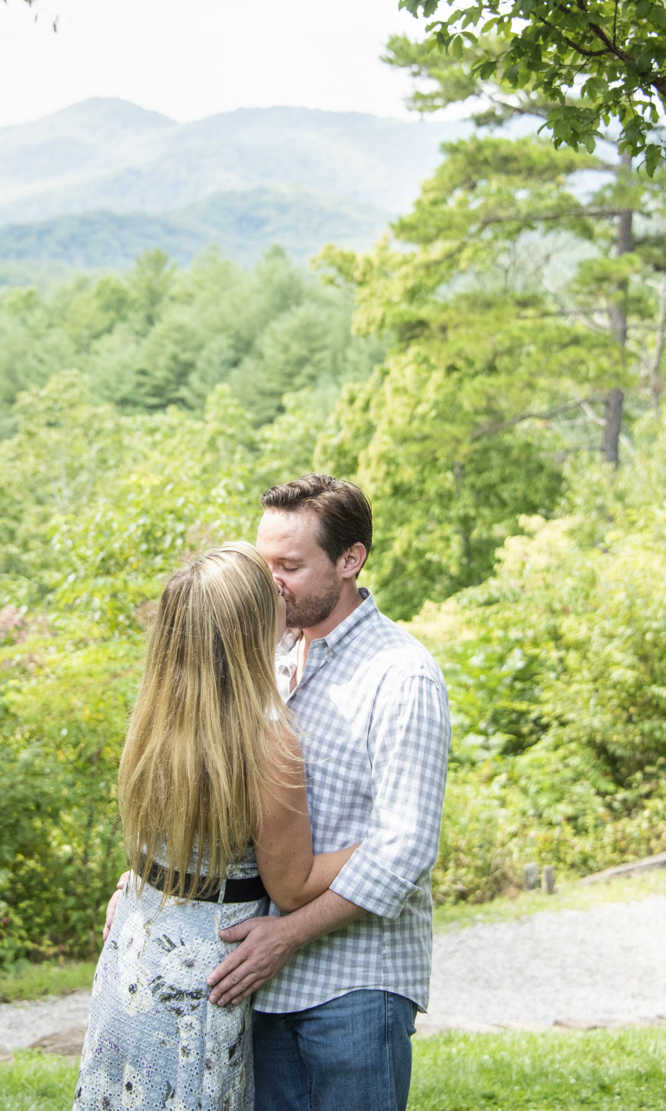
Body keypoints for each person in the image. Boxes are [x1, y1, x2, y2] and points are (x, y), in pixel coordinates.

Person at [105, 474, 451, 1111]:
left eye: (289, 565)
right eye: (265, 565)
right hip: (253, 984)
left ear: (350, 561)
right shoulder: (261, 655)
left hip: (349, 988)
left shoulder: (401, 676)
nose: (270, 583)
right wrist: (158, 885)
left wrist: (289, 934)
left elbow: (406, 849)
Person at [74, 541, 359, 1111]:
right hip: (203, 972)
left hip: (137, 949)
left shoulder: (162, 710)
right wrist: (381, 846)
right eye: (271, 592)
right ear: (249, 626)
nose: (286, 595)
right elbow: (293, 884)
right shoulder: (266, 737)